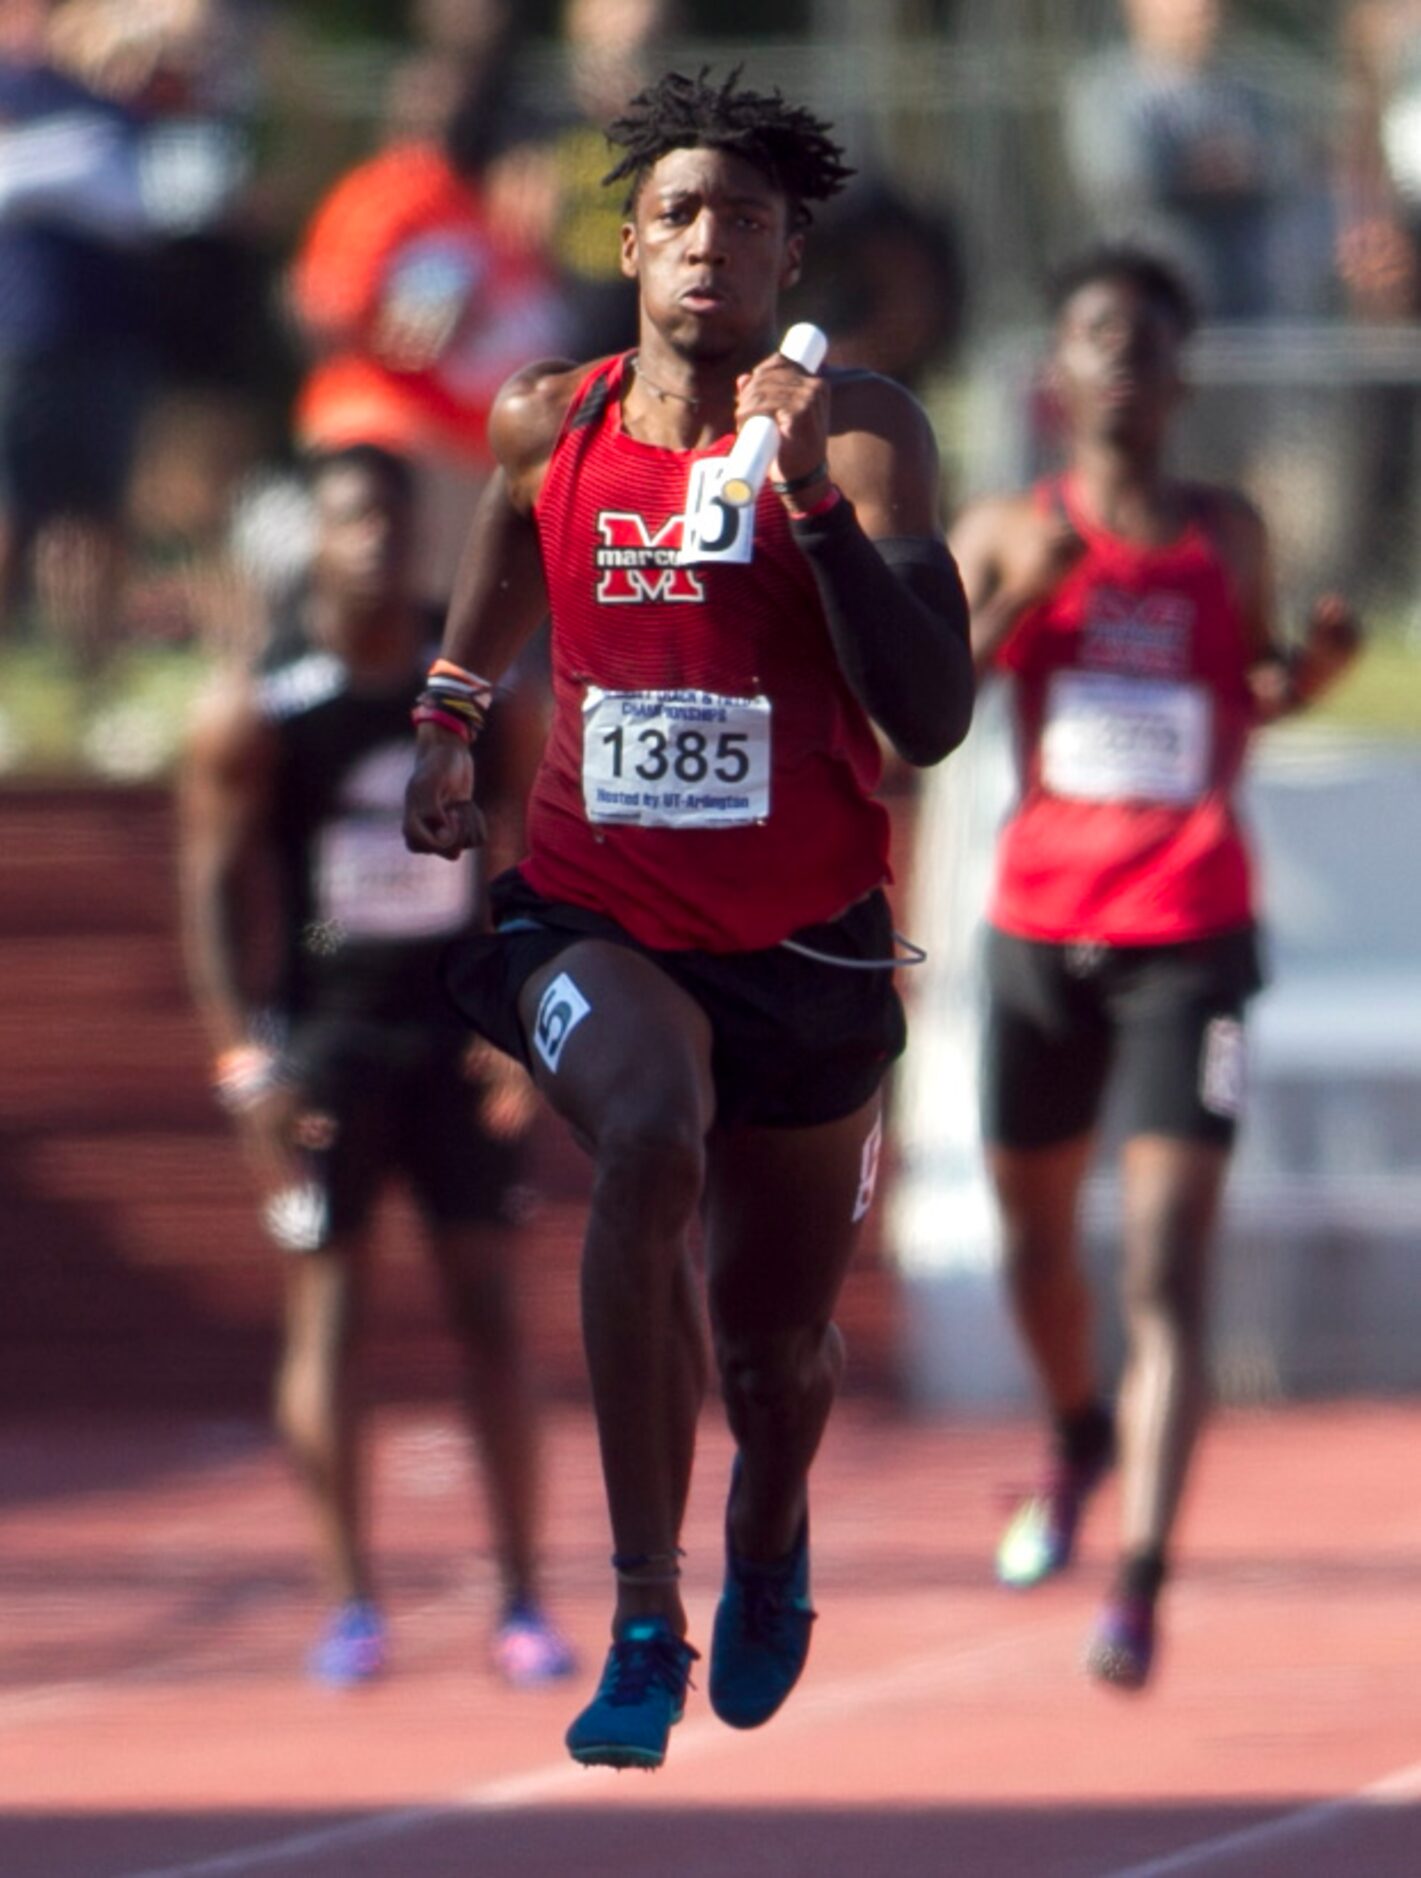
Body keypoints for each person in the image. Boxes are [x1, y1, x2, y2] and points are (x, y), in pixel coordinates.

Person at [404, 68, 973, 1769]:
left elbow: (931, 711)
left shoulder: (861, 429)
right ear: (631, 244)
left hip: (804, 945)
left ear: (791, 254)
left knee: (776, 1354)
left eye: (742, 218)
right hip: (595, 913)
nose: (707, 244)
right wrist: (447, 710)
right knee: (646, 1131)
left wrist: (806, 501)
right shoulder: (544, 419)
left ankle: (768, 1526)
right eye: (677, 215)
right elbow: (509, 543)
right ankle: (641, 1609)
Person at [949, 246, 1362, 1691]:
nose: (1121, 362)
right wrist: (1017, 604)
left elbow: (1243, 685)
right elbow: (912, 717)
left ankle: (1137, 1577)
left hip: (1187, 932)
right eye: (1094, 338)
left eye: (1145, 343)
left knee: (1165, 1262)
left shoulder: (1225, 532)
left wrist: (1302, 676)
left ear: (1181, 380)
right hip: (1037, 935)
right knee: (1035, 1246)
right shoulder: (1005, 526)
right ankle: (1075, 1429)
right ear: (1055, 375)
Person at [179, 442, 573, 1691]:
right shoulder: (267, 704)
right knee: (330, 1315)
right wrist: (246, 1059)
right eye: (348, 522)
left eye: (392, 527)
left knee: (491, 1312)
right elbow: (207, 884)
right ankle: (351, 1603)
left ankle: (520, 1597)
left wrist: (519, 1016)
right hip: (328, 1045)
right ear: (314, 539)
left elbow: (528, 843)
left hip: (456, 1041)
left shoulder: (464, 691)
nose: (372, 547)